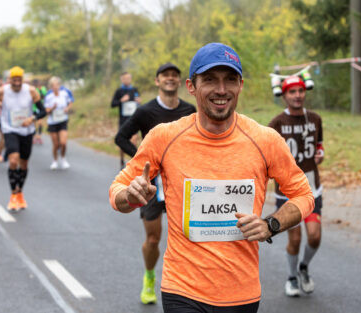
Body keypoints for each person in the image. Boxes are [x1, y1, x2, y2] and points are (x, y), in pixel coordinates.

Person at [109, 43, 315, 313]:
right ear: (191, 86)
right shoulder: (164, 137)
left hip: (241, 292)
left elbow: (304, 195)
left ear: (240, 85)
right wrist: (130, 196)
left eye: (230, 79)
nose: (221, 90)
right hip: (182, 289)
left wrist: (271, 225)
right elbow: (117, 192)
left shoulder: (265, 140)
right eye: (210, 80)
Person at [115, 63, 196, 304]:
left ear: (180, 82)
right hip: (151, 184)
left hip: (182, 182)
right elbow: (120, 137)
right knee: (153, 238)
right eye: (165, 76)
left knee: (189, 236)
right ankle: (150, 276)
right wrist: (142, 157)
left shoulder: (190, 110)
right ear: (157, 81)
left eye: (174, 76)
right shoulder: (144, 111)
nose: (170, 79)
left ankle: (187, 286)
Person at [268, 75, 324, 297]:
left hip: (311, 187)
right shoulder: (276, 124)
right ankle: (291, 277)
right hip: (287, 190)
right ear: (284, 96)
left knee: (314, 236)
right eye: (292, 92)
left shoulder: (316, 118)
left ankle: (304, 267)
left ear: (305, 93)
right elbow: (267, 154)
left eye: (300, 91)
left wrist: (320, 153)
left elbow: (319, 145)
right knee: (295, 237)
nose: (297, 95)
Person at [0, 66, 45, 211]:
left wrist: (32, 118)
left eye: (19, 80)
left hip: (27, 131)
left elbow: (42, 111)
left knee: (23, 164)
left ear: (22, 80)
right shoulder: (2, 91)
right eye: (14, 80)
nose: (16, 83)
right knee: (13, 160)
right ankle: (13, 194)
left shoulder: (30, 91)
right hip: (10, 129)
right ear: (10, 80)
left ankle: (20, 192)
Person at [111, 72, 141, 168]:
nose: (127, 80)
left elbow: (139, 102)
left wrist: (139, 102)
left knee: (133, 141)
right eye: (125, 78)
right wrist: (121, 101)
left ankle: (132, 163)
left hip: (134, 119)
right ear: (122, 79)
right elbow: (112, 104)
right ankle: (122, 160)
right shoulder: (119, 91)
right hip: (123, 119)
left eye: (128, 78)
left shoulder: (134, 89)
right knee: (122, 140)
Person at [44, 76, 73, 170]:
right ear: (51, 87)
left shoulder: (64, 93)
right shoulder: (48, 96)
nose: (55, 87)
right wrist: (52, 108)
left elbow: (70, 102)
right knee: (56, 144)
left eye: (57, 85)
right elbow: (46, 110)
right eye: (53, 85)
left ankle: (63, 159)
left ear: (59, 85)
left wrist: (67, 108)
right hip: (52, 122)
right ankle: (55, 161)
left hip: (62, 120)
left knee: (63, 143)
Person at [32, 79, 48, 145]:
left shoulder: (44, 89)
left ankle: (39, 136)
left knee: (40, 123)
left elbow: (45, 97)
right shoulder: (33, 89)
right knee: (34, 123)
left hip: (41, 108)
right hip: (34, 108)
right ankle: (34, 136)